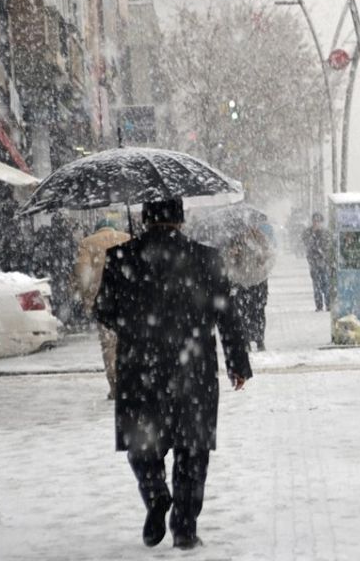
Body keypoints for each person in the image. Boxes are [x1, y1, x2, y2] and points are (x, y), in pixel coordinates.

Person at [94, 198, 253, 550]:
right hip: (192, 369)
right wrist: (237, 363)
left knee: (143, 443)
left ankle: (155, 496)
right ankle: (184, 527)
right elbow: (227, 315)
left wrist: (135, 322)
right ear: (180, 219)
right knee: (191, 449)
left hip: (140, 367)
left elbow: (103, 312)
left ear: (144, 217)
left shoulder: (121, 257)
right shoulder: (207, 259)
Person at [75, 217, 131, 400]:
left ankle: (115, 386)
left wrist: (86, 299)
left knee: (109, 345)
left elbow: (83, 275)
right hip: (128, 299)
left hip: (103, 300)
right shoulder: (127, 237)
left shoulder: (87, 243)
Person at [302, 212, 332, 312]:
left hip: (324, 263)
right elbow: (307, 244)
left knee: (326, 284)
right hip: (314, 263)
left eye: (318, 221)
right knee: (316, 286)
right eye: (315, 221)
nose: (316, 223)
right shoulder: (308, 232)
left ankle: (328, 304)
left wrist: (323, 254)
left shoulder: (326, 233)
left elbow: (328, 246)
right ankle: (319, 305)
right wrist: (313, 235)